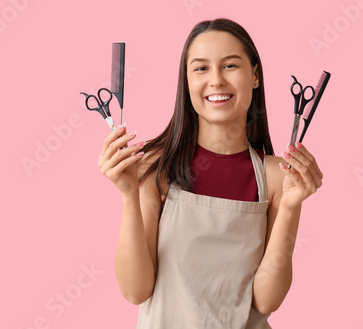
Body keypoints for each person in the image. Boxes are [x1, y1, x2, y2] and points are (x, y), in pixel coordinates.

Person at [97, 18, 323, 329]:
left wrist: (290, 204)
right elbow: (135, 291)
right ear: (186, 82)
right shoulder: (157, 168)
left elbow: (267, 301)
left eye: (230, 65)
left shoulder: (277, 177)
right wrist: (128, 195)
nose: (216, 80)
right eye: (201, 68)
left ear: (255, 76)